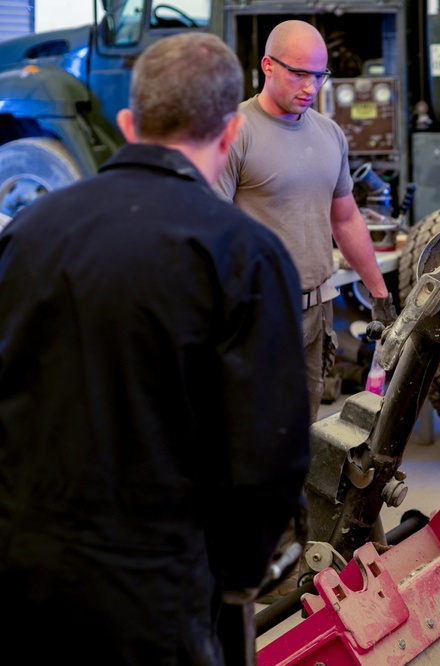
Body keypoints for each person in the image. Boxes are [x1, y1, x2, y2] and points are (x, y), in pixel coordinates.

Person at [0, 33, 311, 664]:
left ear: (126, 122)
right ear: (229, 135)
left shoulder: (27, 233)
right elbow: (268, 455)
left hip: (20, 574)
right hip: (155, 591)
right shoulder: (243, 256)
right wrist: (237, 578)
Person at [216, 19, 396, 422]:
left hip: (317, 312)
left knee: (301, 432)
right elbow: (209, 230)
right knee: (254, 435)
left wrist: (379, 294)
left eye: (320, 76)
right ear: (268, 65)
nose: (310, 88)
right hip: (259, 314)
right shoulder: (235, 133)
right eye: (298, 74)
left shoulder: (330, 134)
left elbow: (346, 218)